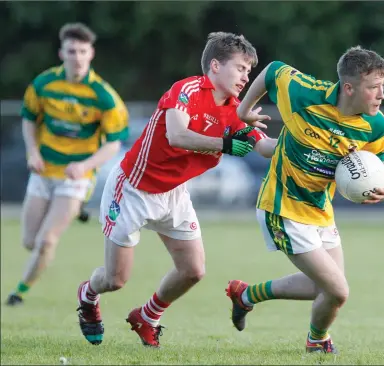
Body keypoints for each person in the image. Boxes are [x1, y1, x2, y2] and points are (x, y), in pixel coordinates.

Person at [76, 31, 278, 348]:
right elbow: (177, 135)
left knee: (193, 271)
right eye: (240, 68)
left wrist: (300, 145)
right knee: (115, 280)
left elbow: (263, 146)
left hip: (174, 194)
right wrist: (226, 144)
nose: (246, 77)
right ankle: (87, 296)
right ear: (215, 65)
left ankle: (147, 317)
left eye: (249, 71)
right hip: (132, 188)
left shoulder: (236, 111)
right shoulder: (187, 89)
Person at [225, 46, 384, 354]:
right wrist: (243, 110)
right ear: (349, 87)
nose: (381, 94)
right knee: (338, 291)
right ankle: (316, 342)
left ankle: (246, 295)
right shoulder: (304, 94)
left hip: (320, 210)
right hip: (283, 207)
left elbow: (381, 157)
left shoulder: (375, 123)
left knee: (324, 288)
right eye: (374, 87)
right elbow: (273, 69)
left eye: (383, 86)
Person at [6, 23, 129, 306]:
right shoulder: (44, 84)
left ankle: (19, 293)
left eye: (82, 51)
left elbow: (113, 143)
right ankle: (74, 213)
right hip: (43, 172)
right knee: (30, 242)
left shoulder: (104, 95)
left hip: (75, 178)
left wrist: (85, 165)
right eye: (71, 51)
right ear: (62, 53)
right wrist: (32, 152)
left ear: (91, 53)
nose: (77, 56)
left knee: (47, 241)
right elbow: (28, 118)